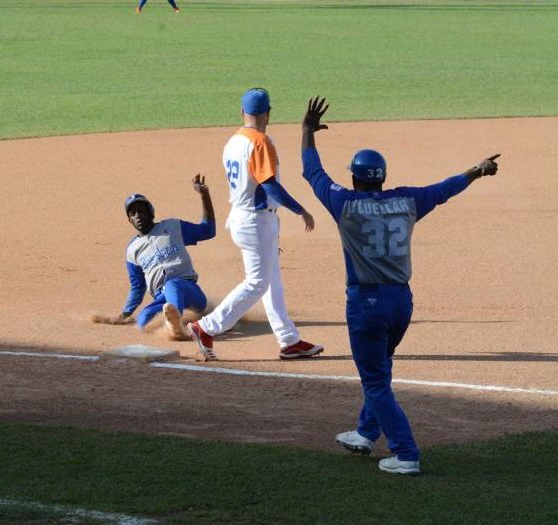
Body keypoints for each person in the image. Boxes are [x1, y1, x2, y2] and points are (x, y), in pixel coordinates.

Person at [300, 96, 501, 475]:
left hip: (366, 305)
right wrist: (477, 170)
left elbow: (313, 172)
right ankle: (365, 431)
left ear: (356, 178)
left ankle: (406, 453)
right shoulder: (407, 201)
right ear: (383, 177)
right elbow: (445, 188)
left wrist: (307, 131)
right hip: (401, 304)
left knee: (375, 381)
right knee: (381, 366)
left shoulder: (343, 202)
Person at [186, 88, 324, 362]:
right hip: (255, 220)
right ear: (268, 113)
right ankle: (206, 327)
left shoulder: (233, 142)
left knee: (272, 281)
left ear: (243, 113)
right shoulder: (260, 142)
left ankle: (289, 341)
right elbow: (270, 186)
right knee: (258, 282)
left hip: (245, 216)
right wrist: (300, 210)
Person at [103, 174, 215, 339]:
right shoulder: (132, 250)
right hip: (162, 299)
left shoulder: (172, 226)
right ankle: (174, 321)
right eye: (133, 213)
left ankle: (175, 326)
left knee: (172, 285)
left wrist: (204, 195)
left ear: (151, 212)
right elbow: (137, 287)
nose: (138, 216)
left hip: (188, 290)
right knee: (143, 321)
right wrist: (126, 313)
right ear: (129, 220)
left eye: (142, 211)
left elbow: (208, 231)